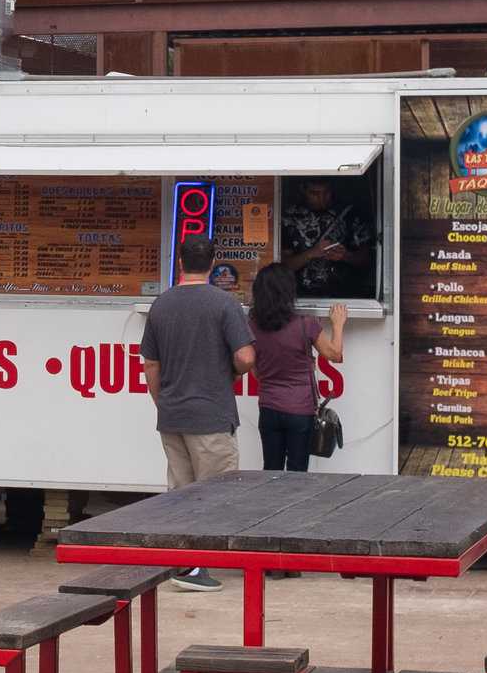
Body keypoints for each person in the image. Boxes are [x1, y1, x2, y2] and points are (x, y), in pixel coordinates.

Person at [138, 235, 256, 592]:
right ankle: (195, 570)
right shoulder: (224, 304)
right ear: (212, 262)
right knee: (217, 494)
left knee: (181, 494)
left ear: (179, 262)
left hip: (173, 415)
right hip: (211, 415)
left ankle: (184, 563)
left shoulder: (161, 304)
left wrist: (163, 403)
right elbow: (247, 357)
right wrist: (232, 373)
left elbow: (150, 366)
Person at [248, 265, 346, 475]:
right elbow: (335, 354)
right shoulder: (306, 324)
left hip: (268, 409)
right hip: (300, 410)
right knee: (297, 472)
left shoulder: (253, 326)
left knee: (270, 470)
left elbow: (255, 372)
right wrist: (337, 324)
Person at [281, 177, 377, 301]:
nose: (321, 199)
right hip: (299, 298)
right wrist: (311, 253)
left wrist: (345, 256)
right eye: (314, 193)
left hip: (345, 299)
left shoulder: (349, 214)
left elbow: (368, 260)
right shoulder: (290, 218)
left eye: (326, 193)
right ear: (303, 190)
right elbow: (283, 268)